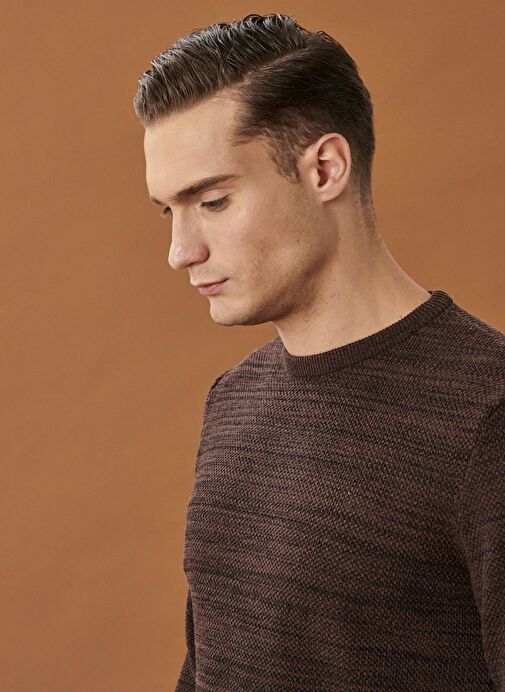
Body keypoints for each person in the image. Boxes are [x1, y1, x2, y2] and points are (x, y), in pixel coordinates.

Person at [134, 12, 505, 691]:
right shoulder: (233, 400)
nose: (180, 251)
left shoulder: (488, 416)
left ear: (325, 168)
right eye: (168, 210)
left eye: (211, 201)